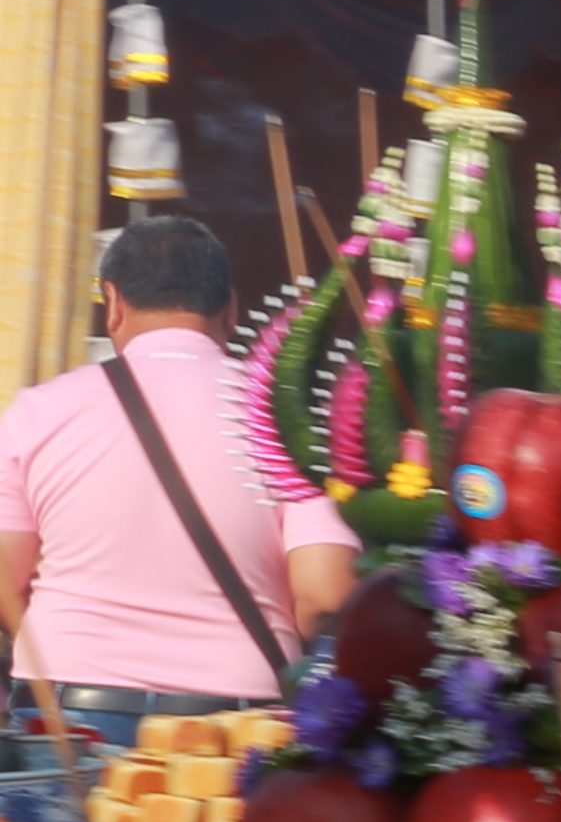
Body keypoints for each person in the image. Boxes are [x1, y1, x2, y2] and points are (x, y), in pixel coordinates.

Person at [0, 212, 359, 748]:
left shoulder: (37, 412)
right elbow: (325, 594)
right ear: (230, 309)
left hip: (66, 714)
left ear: (112, 302)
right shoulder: (283, 422)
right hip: (234, 724)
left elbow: (5, 580)